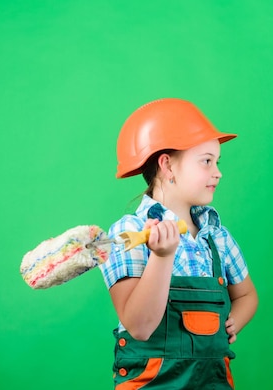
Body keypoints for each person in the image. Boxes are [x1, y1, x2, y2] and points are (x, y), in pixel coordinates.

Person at [99, 98, 258, 389]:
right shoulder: (129, 232)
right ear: (167, 165)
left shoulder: (217, 236)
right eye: (206, 161)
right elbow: (140, 327)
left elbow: (247, 295)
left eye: (217, 162)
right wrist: (162, 256)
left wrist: (235, 320)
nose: (218, 172)